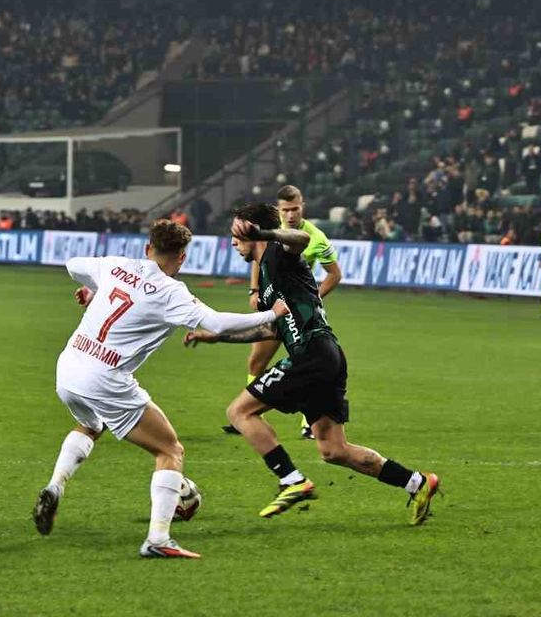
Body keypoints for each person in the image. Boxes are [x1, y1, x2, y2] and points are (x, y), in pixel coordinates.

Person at [34, 219, 289, 559]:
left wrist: (96, 289)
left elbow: (72, 265)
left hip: (69, 367)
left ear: (147, 248)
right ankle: (158, 539)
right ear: (182, 258)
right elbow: (216, 323)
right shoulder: (171, 293)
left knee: (92, 424)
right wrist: (271, 315)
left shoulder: (116, 265)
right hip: (104, 377)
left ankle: (55, 486)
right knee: (170, 450)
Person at [185, 204, 440, 525]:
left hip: (312, 353)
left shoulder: (278, 254)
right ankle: (417, 483)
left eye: (237, 233)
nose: (233, 242)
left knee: (239, 412)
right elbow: (271, 330)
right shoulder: (267, 280)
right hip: (326, 356)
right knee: (334, 450)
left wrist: (265, 233)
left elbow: (302, 239)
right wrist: (217, 337)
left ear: (253, 231)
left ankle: (292, 480)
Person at [222, 185, 341, 440]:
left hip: (297, 313)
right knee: (257, 361)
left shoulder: (313, 237)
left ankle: (307, 423)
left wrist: (309, 300)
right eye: (285, 210)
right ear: (278, 210)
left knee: (306, 360)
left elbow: (334, 274)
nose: (290, 214)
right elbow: (259, 259)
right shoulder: (265, 234)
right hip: (276, 308)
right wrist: (255, 290)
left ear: (302, 206)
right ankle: (252, 413)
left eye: (295, 209)